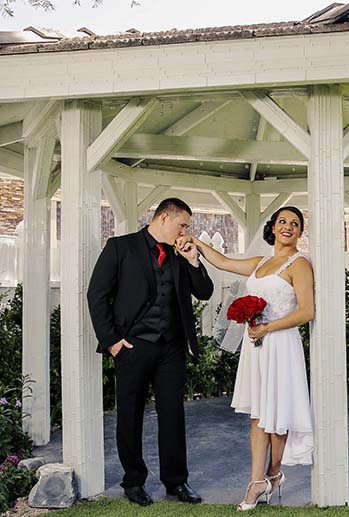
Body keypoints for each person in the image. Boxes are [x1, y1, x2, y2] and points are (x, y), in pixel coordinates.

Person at [178, 206, 314, 511]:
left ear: (300, 232)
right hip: (257, 349)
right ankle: (255, 483)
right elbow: (224, 262)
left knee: (278, 418)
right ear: (273, 227)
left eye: (295, 223)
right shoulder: (260, 262)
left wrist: (268, 326)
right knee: (258, 416)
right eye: (283, 221)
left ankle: (274, 474)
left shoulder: (300, 264)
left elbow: (307, 311)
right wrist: (197, 243)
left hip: (280, 344)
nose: (288, 226)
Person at [87, 198, 214, 507]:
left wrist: (193, 260)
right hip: (133, 346)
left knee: (173, 415)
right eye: (182, 225)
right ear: (163, 218)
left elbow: (205, 292)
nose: (186, 231)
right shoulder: (120, 247)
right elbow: (97, 295)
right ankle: (133, 481)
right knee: (130, 415)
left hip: (171, 347)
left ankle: (176, 483)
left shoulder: (181, 254)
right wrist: (113, 342)